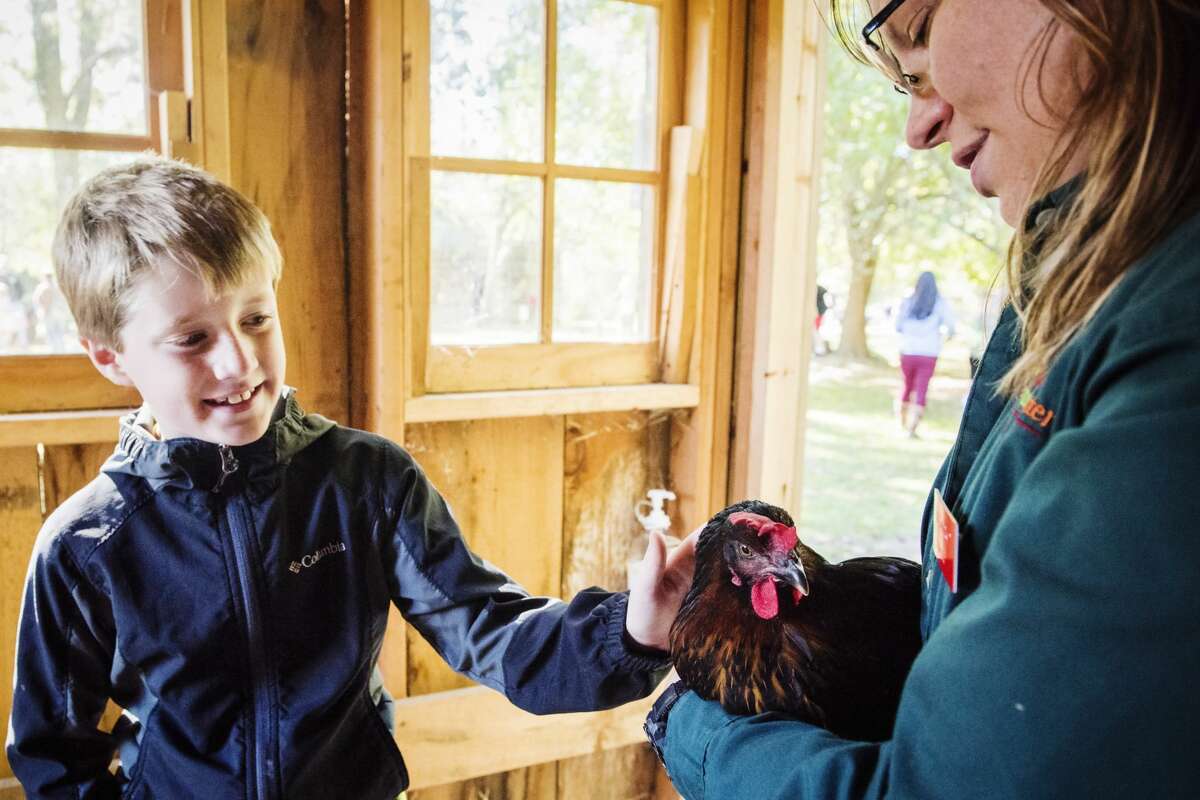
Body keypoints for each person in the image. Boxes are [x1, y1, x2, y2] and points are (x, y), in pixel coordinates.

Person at [5, 156, 697, 799]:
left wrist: (629, 634)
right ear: (110, 357)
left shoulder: (366, 482)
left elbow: (494, 632)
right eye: (192, 338)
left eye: (255, 318)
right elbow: (51, 752)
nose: (239, 362)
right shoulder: (85, 546)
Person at [647, 1, 1200, 797]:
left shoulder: (1163, 341)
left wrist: (691, 725)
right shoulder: (1081, 284)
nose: (920, 125)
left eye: (920, 43)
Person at [894, 270, 954, 436]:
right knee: (922, 389)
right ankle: (912, 428)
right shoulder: (940, 303)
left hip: (908, 351)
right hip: (929, 352)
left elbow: (897, 325)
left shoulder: (908, 302)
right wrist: (942, 337)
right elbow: (951, 327)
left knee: (907, 386)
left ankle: (902, 422)